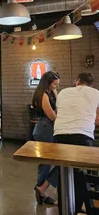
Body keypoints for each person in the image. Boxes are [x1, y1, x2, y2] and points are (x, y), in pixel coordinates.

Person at [54, 73, 99, 214]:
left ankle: (64, 209)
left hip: (60, 135)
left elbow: (60, 111)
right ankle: (78, 209)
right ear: (91, 84)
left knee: (63, 173)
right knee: (80, 175)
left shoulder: (63, 92)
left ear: (77, 81)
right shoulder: (95, 93)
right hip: (82, 136)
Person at [32, 71, 60, 205]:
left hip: (49, 128)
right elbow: (52, 116)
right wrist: (56, 113)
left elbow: (59, 108)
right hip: (44, 128)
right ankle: (41, 191)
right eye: (54, 84)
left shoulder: (51, 93)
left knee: (48, 162)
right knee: (46, 163)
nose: (56, 87)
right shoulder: (43, 95)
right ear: (47, 83)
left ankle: (41, 191)